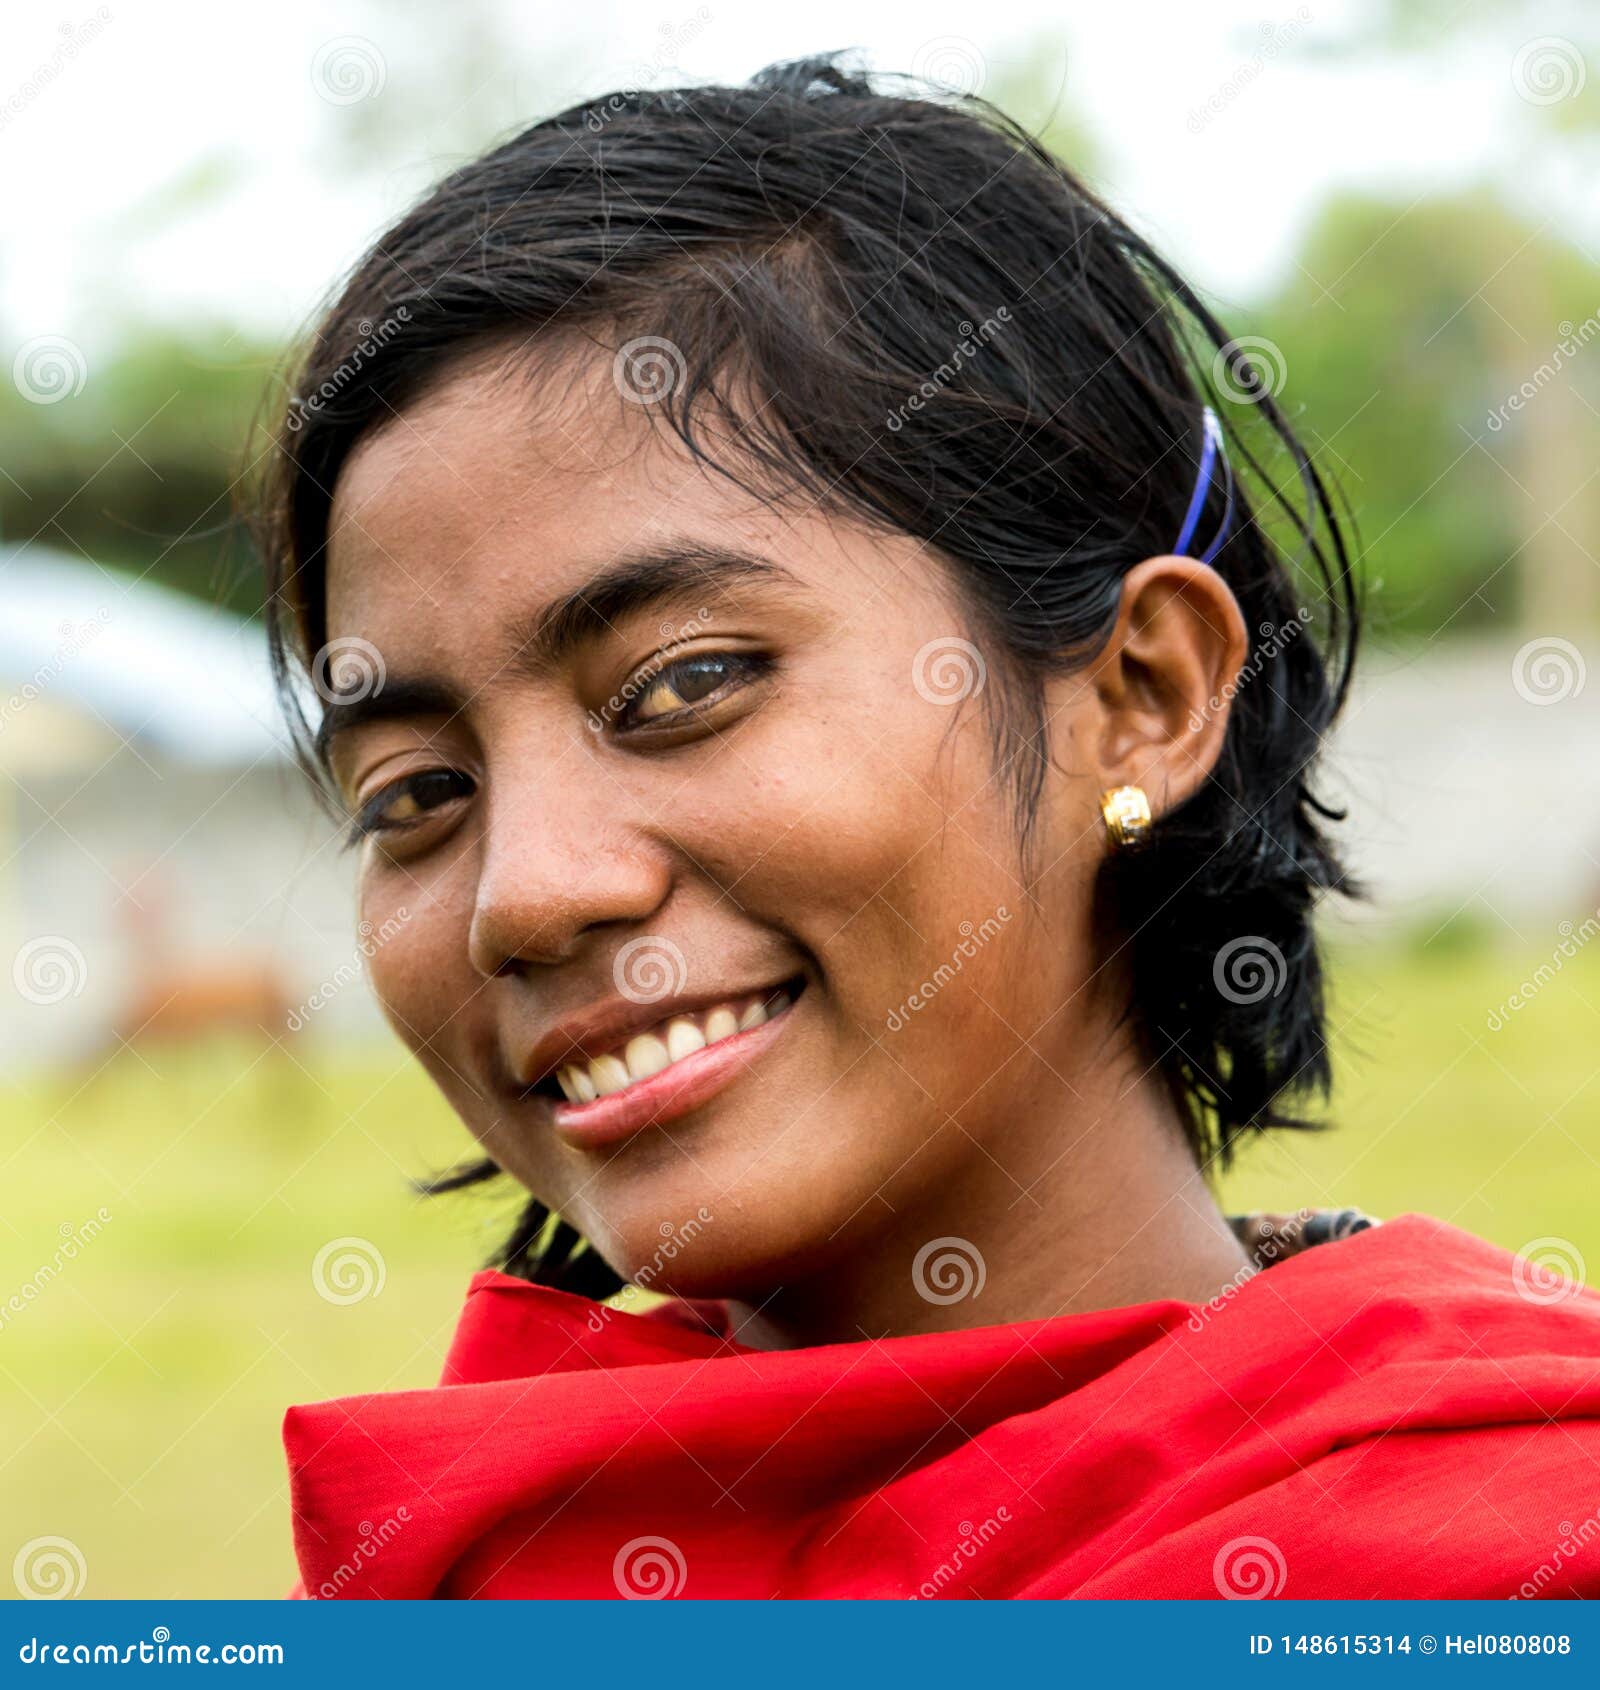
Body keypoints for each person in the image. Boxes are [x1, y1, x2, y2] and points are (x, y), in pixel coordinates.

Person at [262, 56, 1600, 1600]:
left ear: (1144, 694)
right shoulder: (479, 1565)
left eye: (686, 682)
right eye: (417, 792)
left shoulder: (1492, 1571)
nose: (527, 895)